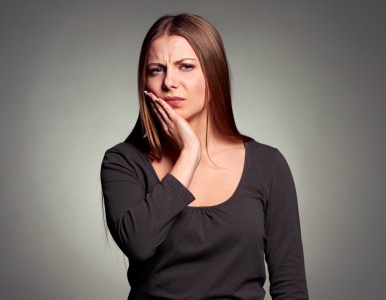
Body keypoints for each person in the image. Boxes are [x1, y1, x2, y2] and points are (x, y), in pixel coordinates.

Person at [100, 13, 308, 299]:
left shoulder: (267, 165)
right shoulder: (124, 162)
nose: (169, 81)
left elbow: (290, 287)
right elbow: (139, 242)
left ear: (213, 74)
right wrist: (190, 154)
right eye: (156, 69)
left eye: (185, 66)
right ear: (145, 83)